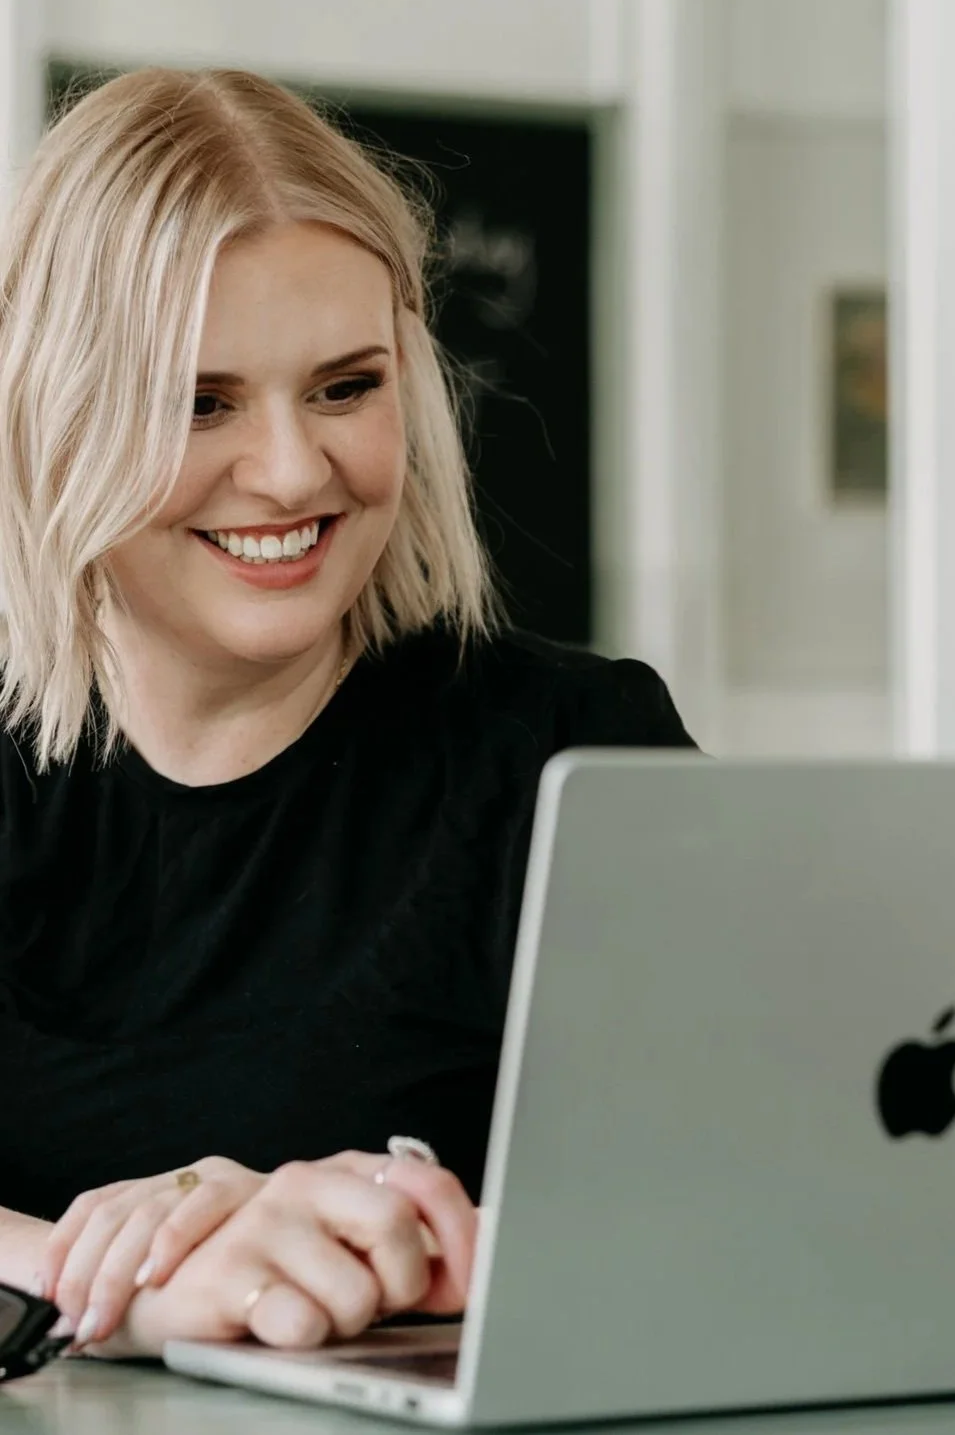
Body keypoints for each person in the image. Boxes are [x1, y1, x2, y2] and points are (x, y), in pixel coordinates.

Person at [0, 68, 695, 1361]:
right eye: (196, 401)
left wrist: (413, 1249)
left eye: (343, 386)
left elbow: (748, 1203)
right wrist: (123, 1283)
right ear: (55, 408)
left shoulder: (570, 754)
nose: (288, 468)